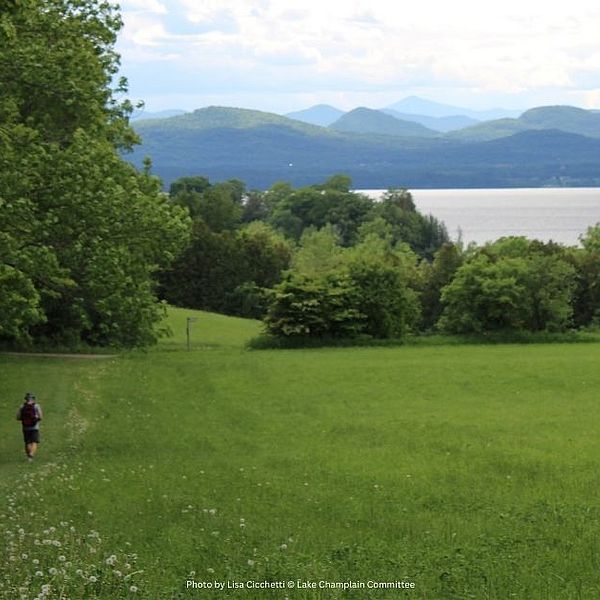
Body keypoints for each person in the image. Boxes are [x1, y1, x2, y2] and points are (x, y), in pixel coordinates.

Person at [16, 392, 43, 461]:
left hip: (25, 427)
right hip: (35, 427)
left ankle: (29, 457)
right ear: (33, 399)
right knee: (34, 442)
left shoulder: (22, 406)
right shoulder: (36, 406)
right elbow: (40, 416)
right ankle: (31, 454)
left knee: (27, 442)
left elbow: (18, 417)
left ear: (26, 399)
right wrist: (36, 419)